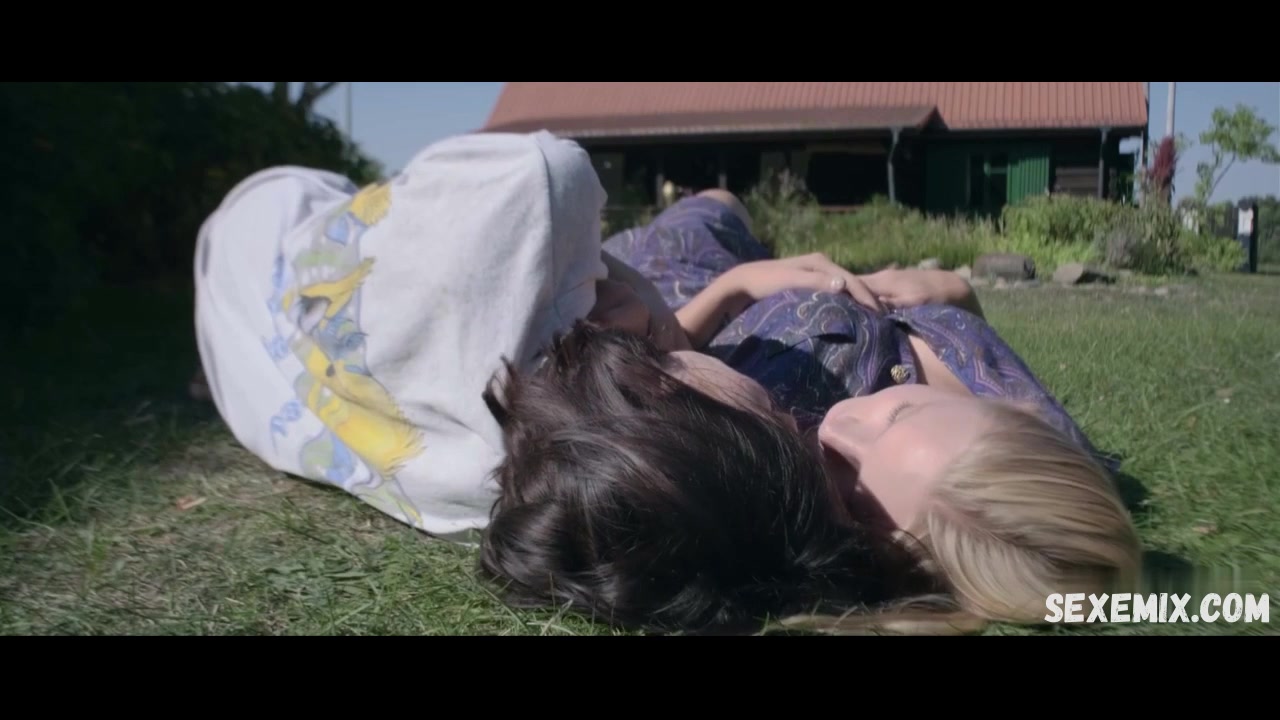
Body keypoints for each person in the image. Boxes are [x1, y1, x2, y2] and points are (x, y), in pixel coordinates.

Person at [478, 191, 1143, 635]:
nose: (833, 425)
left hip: (687, 290)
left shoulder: (758, 484)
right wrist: (953, 292)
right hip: (752, 286)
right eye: (900, 415)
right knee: (722, 202)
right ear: (1011, 412)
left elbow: (664, 389)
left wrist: (733, 287)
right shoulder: (1029, 434)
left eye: (850, 490)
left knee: (701, 211)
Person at [192, 130, 887, 542]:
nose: (795, 418)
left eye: (773, 415)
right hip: (240, 342)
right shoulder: (521, 476)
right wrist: (722, 294)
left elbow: (541, 169)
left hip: (265, 218)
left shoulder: (536, 207)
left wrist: (665, 303)